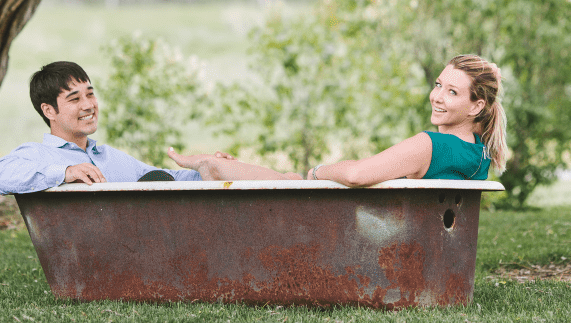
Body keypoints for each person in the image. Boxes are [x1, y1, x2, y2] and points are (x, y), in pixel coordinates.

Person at [167, 55, 507, 185]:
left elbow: (358, 175)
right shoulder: (478, 156)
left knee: (300, 180)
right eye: (437, 85)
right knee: (289, 178)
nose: (436, 96)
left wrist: (317, 173)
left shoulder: (434, 145)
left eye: (452, 92)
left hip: (369, 228)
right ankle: (211, 166)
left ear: (476, 107)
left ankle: (208, 166)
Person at [0, 60, 230, 193]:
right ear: (49, 110)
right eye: (74, 99)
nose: (88, 105)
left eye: (90, 95)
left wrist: (209, 168)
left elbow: (163, 180)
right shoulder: (38, 155)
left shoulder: (111, 157)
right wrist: (65, 172)